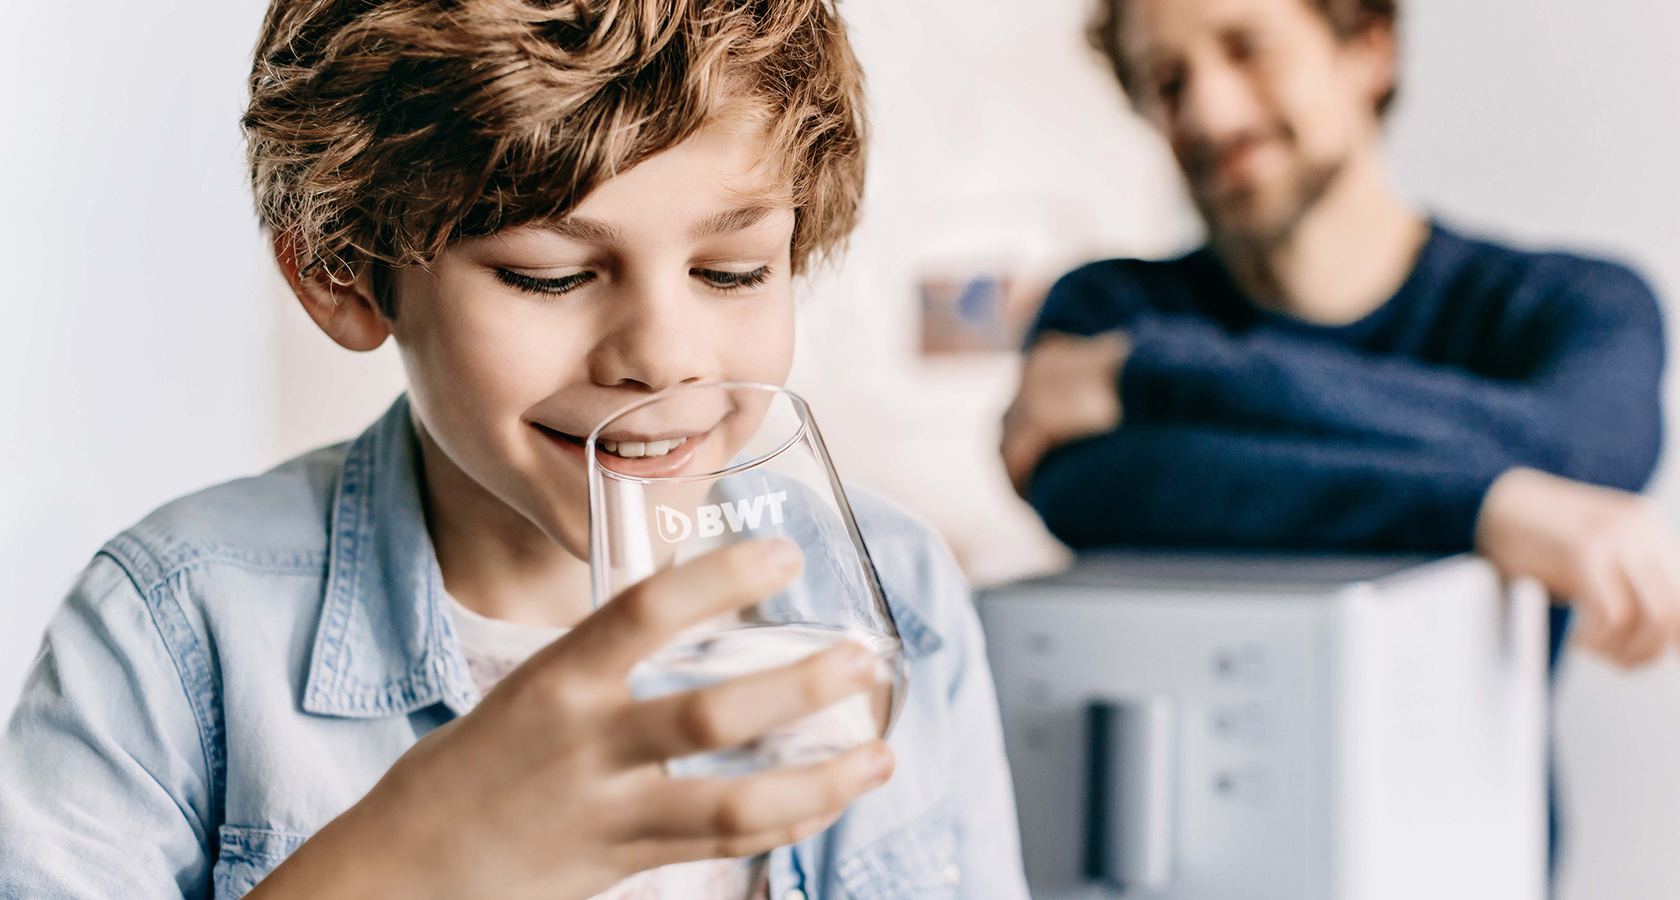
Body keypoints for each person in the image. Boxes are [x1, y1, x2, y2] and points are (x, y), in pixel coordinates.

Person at [0, 2, 1030, 898]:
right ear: (343, 275)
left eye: (732, 270)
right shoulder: (173, 636)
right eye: (547, 275)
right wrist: (415, 860)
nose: (664, 357)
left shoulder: (897, 593)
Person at [1001, 0, 1680, 672]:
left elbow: (1579, 460)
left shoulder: (1576, 305)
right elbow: (1082, 492)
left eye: (1248, 48)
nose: (1210, 114)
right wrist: (1497, 507)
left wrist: (1145, 376)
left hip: (1488, 786)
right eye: (1167, 81)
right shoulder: (1107, 306)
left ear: (1369, 47)